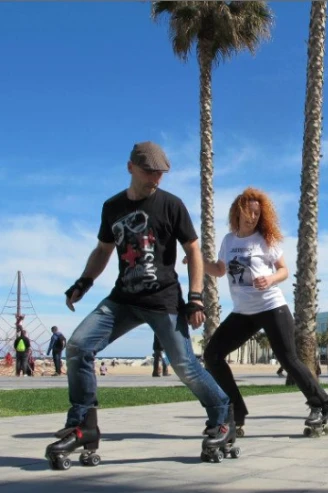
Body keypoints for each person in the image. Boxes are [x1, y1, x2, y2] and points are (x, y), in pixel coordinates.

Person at [45, 142, 233, 468]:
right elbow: (103, 250)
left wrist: (196, 297)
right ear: (130, 167)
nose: (155, 179)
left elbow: (193, 251)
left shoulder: (171, 205)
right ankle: (83, 426)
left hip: (164, 301)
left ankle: (222, 417)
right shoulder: (112, 207)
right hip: (123, 299)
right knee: (78, 345)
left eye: (160, 173)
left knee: (186, 366)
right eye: (149, 172)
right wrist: (83, 282)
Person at [201, 187, 328, 436]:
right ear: (237, 211)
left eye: (257, 214)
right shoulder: (229, 240)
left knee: (288, 358)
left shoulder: (265, 239)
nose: (252, 217)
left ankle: (321, 405)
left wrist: (271, 279)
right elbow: (219, 270)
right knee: (212, 355)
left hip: (272, 306)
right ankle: (234, 412)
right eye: (248, 212)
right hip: (243, 311)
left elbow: (284, 270)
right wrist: (198, 260)